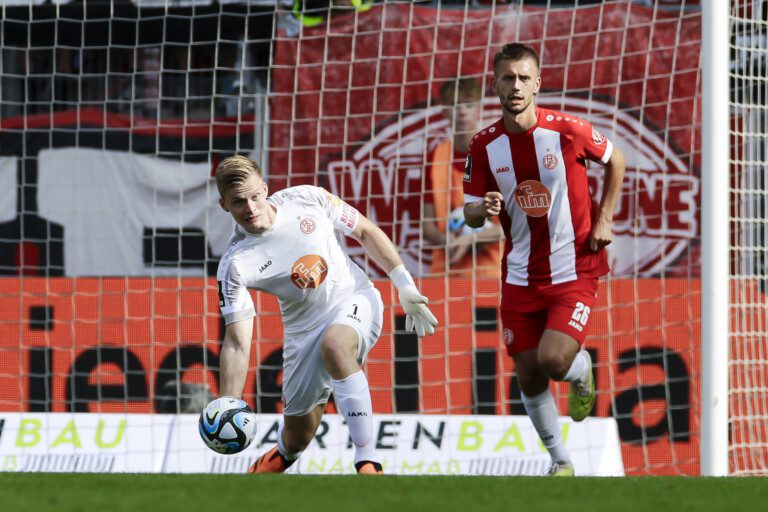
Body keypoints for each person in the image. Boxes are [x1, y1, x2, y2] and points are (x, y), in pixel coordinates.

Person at [214, 155, 437, 475]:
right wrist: (228, 404)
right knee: (295, 438)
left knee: (335, 345)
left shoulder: (307, 198)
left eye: (254, 196)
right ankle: (274, 463)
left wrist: (403, 284)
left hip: (355, 298)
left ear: (265, 189)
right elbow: (237, 342)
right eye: (238, 202)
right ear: (224, 205)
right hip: (302, 332)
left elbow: (364, 230)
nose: (250, 208)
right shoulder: (235, 264)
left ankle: (368, 460)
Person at [462, 43, 626, 476]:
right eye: (506, 78)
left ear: (538, 82)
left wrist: (604, 218)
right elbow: (470, 213)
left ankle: (581, 368)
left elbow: (616, 159)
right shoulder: (483, 145)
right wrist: (484, 208)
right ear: (494, 83)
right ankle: (562, 463)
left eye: (522, 77)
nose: (515, 86)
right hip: (518, 276)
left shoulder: (567, 130)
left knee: (554, 361)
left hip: (573, 267)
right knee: (529, 375)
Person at [423, 77, 503, 278]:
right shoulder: (434, 157)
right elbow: (427, 225)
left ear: (479, 109)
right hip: (445, 273)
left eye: (468, 104)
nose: (462, 110)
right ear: (444, 111)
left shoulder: (496, 153)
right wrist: (449, 241)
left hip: (491, 274)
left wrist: (474, 238)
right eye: (455, 105)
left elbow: (515, 226)